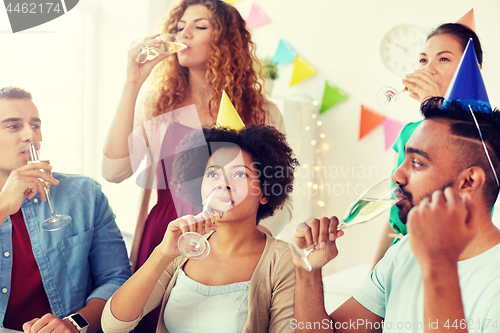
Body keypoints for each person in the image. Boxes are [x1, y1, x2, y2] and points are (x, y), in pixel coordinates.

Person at [291, 97, 500, 332]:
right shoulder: (405, 251)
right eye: (404, 159)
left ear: (468, 181)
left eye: (418, 163)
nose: (397, 175)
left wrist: (439, 265)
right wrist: (307, 270)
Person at [101, 125, 298, 333]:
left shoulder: (283, 260)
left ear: (265, 193)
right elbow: (113, 326)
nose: (223, 184)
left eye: (240, 174)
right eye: (213, 174)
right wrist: (163, 253)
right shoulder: (183, 249)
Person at [0, 87, 132, 332]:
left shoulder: (85, 195)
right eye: (13, 126)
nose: (31, 135)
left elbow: (116, 279)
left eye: (35, 125)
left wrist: (74, 324)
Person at [373, 23, 484, 264]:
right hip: (402, 258)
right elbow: (396, 211)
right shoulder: (408, 133)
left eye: (443, 59)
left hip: (456, 260)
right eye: (423, 60)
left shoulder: (485, 133)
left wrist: (434, 106)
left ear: (471, 68)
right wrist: (374, 273)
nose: (428, 69)